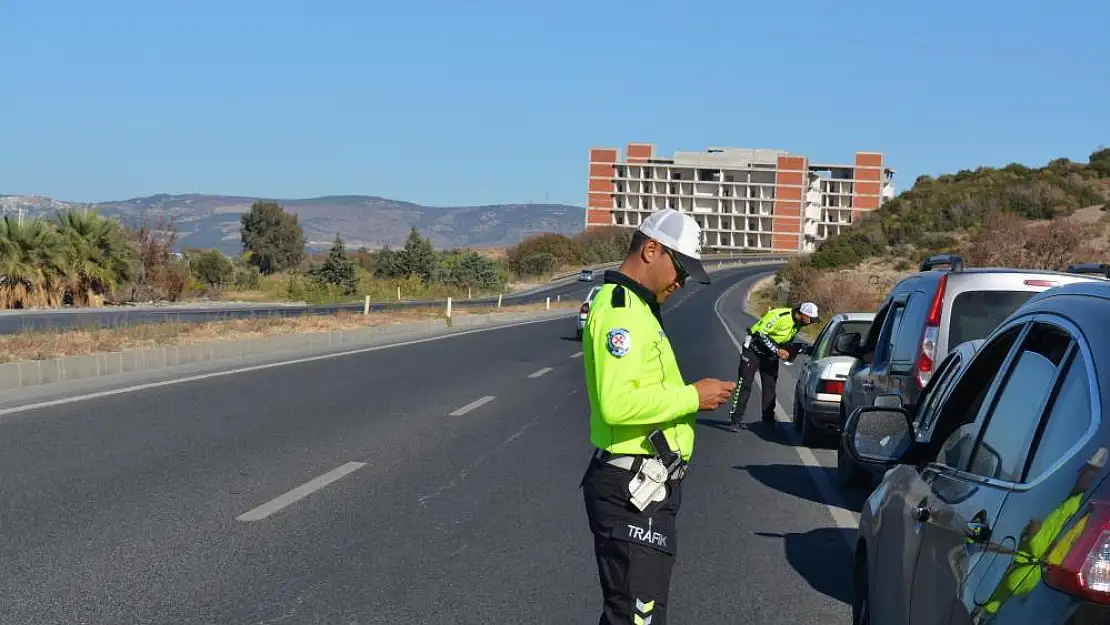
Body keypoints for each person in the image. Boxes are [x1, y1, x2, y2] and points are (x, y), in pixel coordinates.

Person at [579, 208, 736, 625]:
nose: (681, 283)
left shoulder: (639, 308)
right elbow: (616, 404)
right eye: (680, 270)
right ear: (651, 250)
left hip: (647, 486)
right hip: (631, 488)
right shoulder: (623, 313)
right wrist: (692, 396)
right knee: (637, 616)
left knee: (638, 614)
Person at [726, 301, 818, 433]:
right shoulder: (780, 315)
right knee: (745, 384)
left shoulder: (798, 324)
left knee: (770, 387)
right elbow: (759, 334)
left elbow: (784, 341)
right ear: (803, 314)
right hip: (753, 350)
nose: (811, 323)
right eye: (811, 319)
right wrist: (777, 350)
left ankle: (768, 422)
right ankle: (735, 420)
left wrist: (797, 350)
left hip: (770, 355)